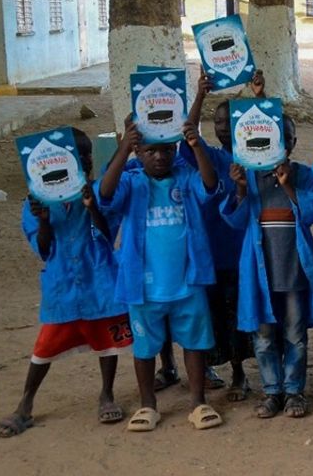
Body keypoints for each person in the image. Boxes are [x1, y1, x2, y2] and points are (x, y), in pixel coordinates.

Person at [0, 129, 131, 438]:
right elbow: (44, 249)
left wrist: (91, 205)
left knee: (106, 341)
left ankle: (106, 394)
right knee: (45, 346)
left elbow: (108, 234)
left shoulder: (97, 191)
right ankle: (25, 404)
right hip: (62, 286)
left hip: (98, 280)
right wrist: (43, 219)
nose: (80, 163)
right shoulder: (36, 204)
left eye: (84, 157)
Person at [99, 117, 223, 432]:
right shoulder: (133, 182)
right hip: (143, 287)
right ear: (139, 154)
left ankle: (198, 402)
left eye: (166, 150)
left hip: (188, 282)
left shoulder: (186, 177)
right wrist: (124, 147)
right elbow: (105, 193)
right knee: (144, 348)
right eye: (151, 151)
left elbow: (210, 186)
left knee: (194, 344)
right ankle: (147, 405)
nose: (159, 157)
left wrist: (195, 147)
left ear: (174, 150)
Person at [223, 116, 313, 419]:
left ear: (292, 144)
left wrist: (288, 187)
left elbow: (312, 210)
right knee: (262, 334)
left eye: (286, 138)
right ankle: (272, 391)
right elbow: (234, 220)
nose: (278, 144)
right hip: (259, 273)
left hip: (294, 271)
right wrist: (241, 190)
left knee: (295, 334)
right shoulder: (249, 177)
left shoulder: (300, 174)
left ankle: (294, 390)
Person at [180, 70, 256, 401]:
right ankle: (209, 367)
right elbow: (187, 135)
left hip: (242, 251)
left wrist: (256, 97)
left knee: (238, 314)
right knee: (208, 313)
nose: (225, 126)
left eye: (231, 121)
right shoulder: (208, 157)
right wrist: (199, 95)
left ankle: (240, 373)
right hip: (209, 250)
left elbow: (266, 124)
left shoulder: (254, 156)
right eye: (219, 121)